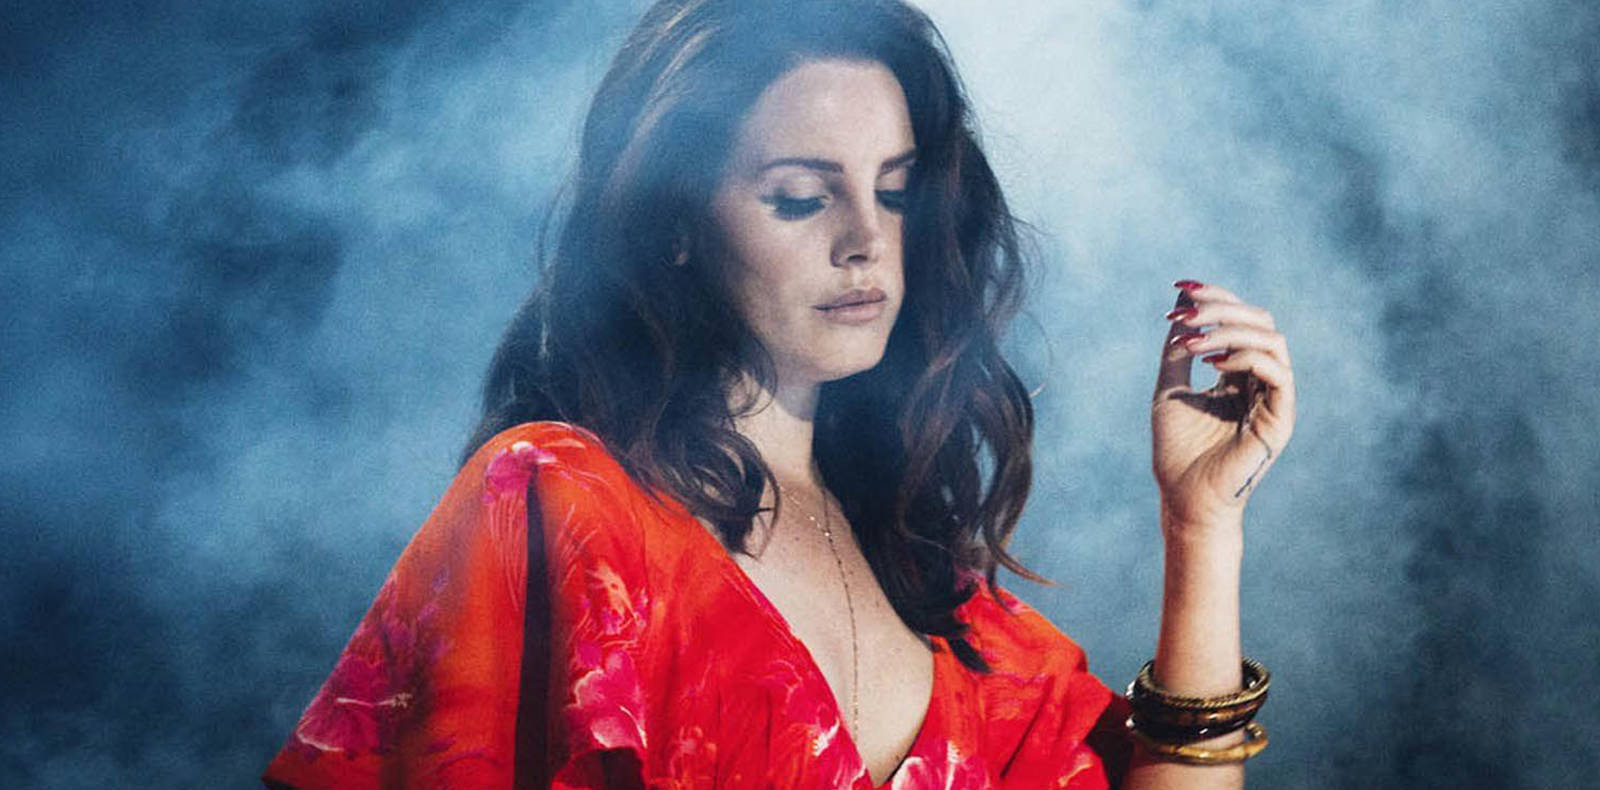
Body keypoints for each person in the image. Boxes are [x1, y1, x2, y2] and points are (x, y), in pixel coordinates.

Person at [261, 0, 1296, 788]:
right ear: (675, 222)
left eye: (894, 192)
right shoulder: (561, 505)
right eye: (800, 198)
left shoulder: (960, 618)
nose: (865, 239)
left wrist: (1200, 526)